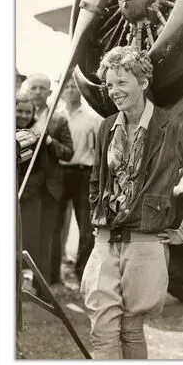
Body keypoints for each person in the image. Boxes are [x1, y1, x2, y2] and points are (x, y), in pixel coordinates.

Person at [81, 46, 183, 359]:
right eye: (110, 84)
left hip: (145, 245)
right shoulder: (106, 128)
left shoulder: (174, 129)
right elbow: (95, 182)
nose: (113, 91)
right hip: (105, 241)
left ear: (143, 83)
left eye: (121, 83)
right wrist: (96, 218)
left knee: (131, 329)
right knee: (101, 330)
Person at [19, 74, 74, 299]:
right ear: (27, 90)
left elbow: (68, 153)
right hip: (25, 189)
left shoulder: (58, 120)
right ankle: (16, 288)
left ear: (50, 92)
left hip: (49, 189)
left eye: (43, 88)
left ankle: (43, 288)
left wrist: (51, 141)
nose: (38, 92)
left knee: (45, 240)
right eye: (34, 87)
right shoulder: (19, 115)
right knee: (21, 239)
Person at [51, 77, 103, 284]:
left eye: (74, 86)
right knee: (55, 225)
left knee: (87, 227)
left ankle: (83, 273)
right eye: (67, 87)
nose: (71, 90)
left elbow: (101, 148)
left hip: (84, 174)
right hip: (60, 174)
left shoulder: (92, 117)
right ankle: (52, 274)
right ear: (61, 91)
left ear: (80, 90)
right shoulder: (55, 117)